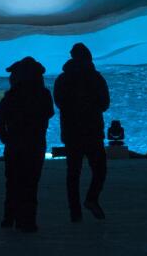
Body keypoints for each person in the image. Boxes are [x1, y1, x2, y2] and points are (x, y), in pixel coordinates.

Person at [0, 56, 54, 233]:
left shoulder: (11, 95)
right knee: (30, 183)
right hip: (35, 143)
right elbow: (49, 113)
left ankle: (9, 217)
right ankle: (27, 220)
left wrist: (5, 137)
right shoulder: (43, 94)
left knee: (12, 182)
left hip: (14, 144)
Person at [53, 42, 111, 221]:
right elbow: (104, 103)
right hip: (92, 130)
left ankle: (75, 212)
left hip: (72, 132)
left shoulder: (63, 79)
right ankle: (91, 199)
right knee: (99, 170)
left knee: (73, 173)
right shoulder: (95, 77)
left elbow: (60, 103)